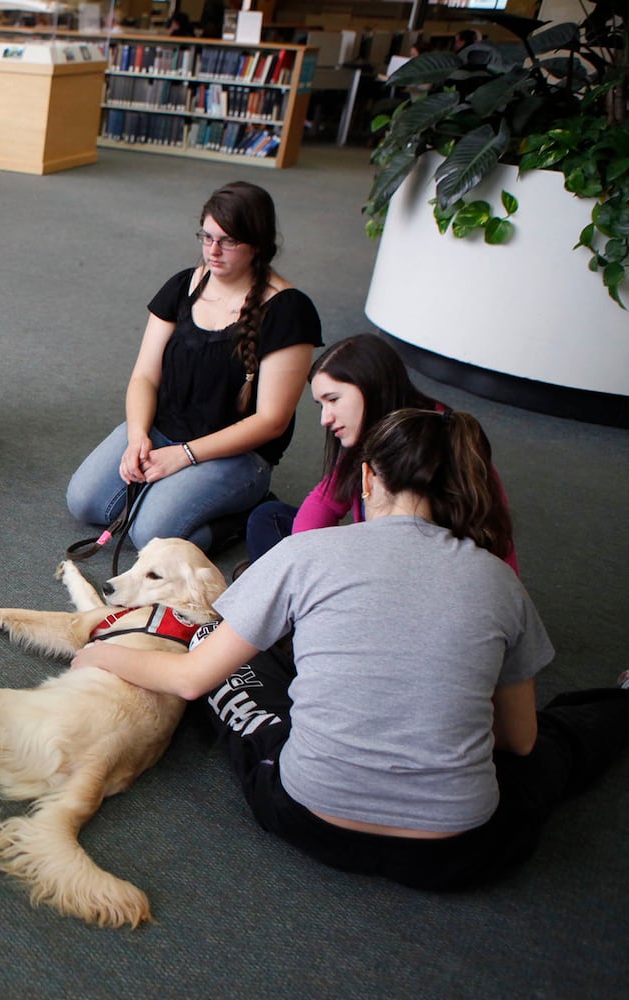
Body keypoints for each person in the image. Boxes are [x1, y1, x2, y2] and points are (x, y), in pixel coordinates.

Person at [73, 407, 629, 890]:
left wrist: (98, 651)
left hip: (307, 819)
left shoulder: (306, 552)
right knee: (557, 742)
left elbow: (190, 678)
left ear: (366, 479)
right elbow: (520, 740)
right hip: (459, 852)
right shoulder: (500, 582)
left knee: (229, 669)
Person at [66, 181, 322, 553]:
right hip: (163, 427)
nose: (213, 251)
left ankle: (243, 515)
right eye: (207, 237)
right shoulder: (184, 284)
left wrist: (183, 456)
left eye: (228, 241)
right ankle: (166, 493)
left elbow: (272, 421)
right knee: (85, 503)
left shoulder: (288, 310)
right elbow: (144, 376)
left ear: (259, 246)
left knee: (148, 534)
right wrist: (138, 435)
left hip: (235, 454)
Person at [243, 333, 518, 570]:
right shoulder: (370, 430)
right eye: (321, 404)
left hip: (413, 575)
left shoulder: (435, 437)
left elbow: (491, 542)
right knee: (270, 518)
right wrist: (298, 557)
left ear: (371, 387)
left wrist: (296, 569)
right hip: (378, 554)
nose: (325, 419)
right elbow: (326, 500)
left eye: (334, 400)